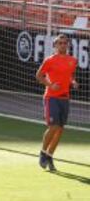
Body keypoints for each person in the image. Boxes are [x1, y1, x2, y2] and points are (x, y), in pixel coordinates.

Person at [36, 34, 78, 171]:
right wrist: (50, 85)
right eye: (60, 43)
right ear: (55, 46)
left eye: (65, 43)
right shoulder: (50, 60)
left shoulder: (73, 60)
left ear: (68, 45)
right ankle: (43, 152)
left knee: (60, 129)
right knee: (53, 126)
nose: (62, 45)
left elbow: (69, 74)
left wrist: (73, 81)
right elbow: (39, 75)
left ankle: (49, 155)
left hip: (65, 98)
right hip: (51, 97)